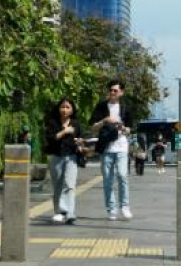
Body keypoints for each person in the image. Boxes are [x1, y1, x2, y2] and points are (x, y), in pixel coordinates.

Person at [89, 80, 134, 220]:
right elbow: (93, 127)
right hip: (106, 148)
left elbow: (129, 130)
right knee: (108, 180)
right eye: (110, 90)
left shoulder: (126, 108)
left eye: (115, 90)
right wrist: (105, 120)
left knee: (122, 175)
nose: (112, 92)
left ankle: (125, 207)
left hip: (121, 146)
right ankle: (111, 209)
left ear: (121, 92)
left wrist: (123, 128)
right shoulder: (101, 107)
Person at [44, 97, 83, 225]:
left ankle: (69, 212)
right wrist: (65, 131)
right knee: (58, 186)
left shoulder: (76, 124)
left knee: (70, 185)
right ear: (58, 108)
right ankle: (59, 212)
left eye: (68, 107)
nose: (65, 110)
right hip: (56, 156)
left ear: (72, 110)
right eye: (62, 107)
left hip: (71, 157)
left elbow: (80, 138)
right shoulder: (52, 122)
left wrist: (80, 142)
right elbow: (51, 138)